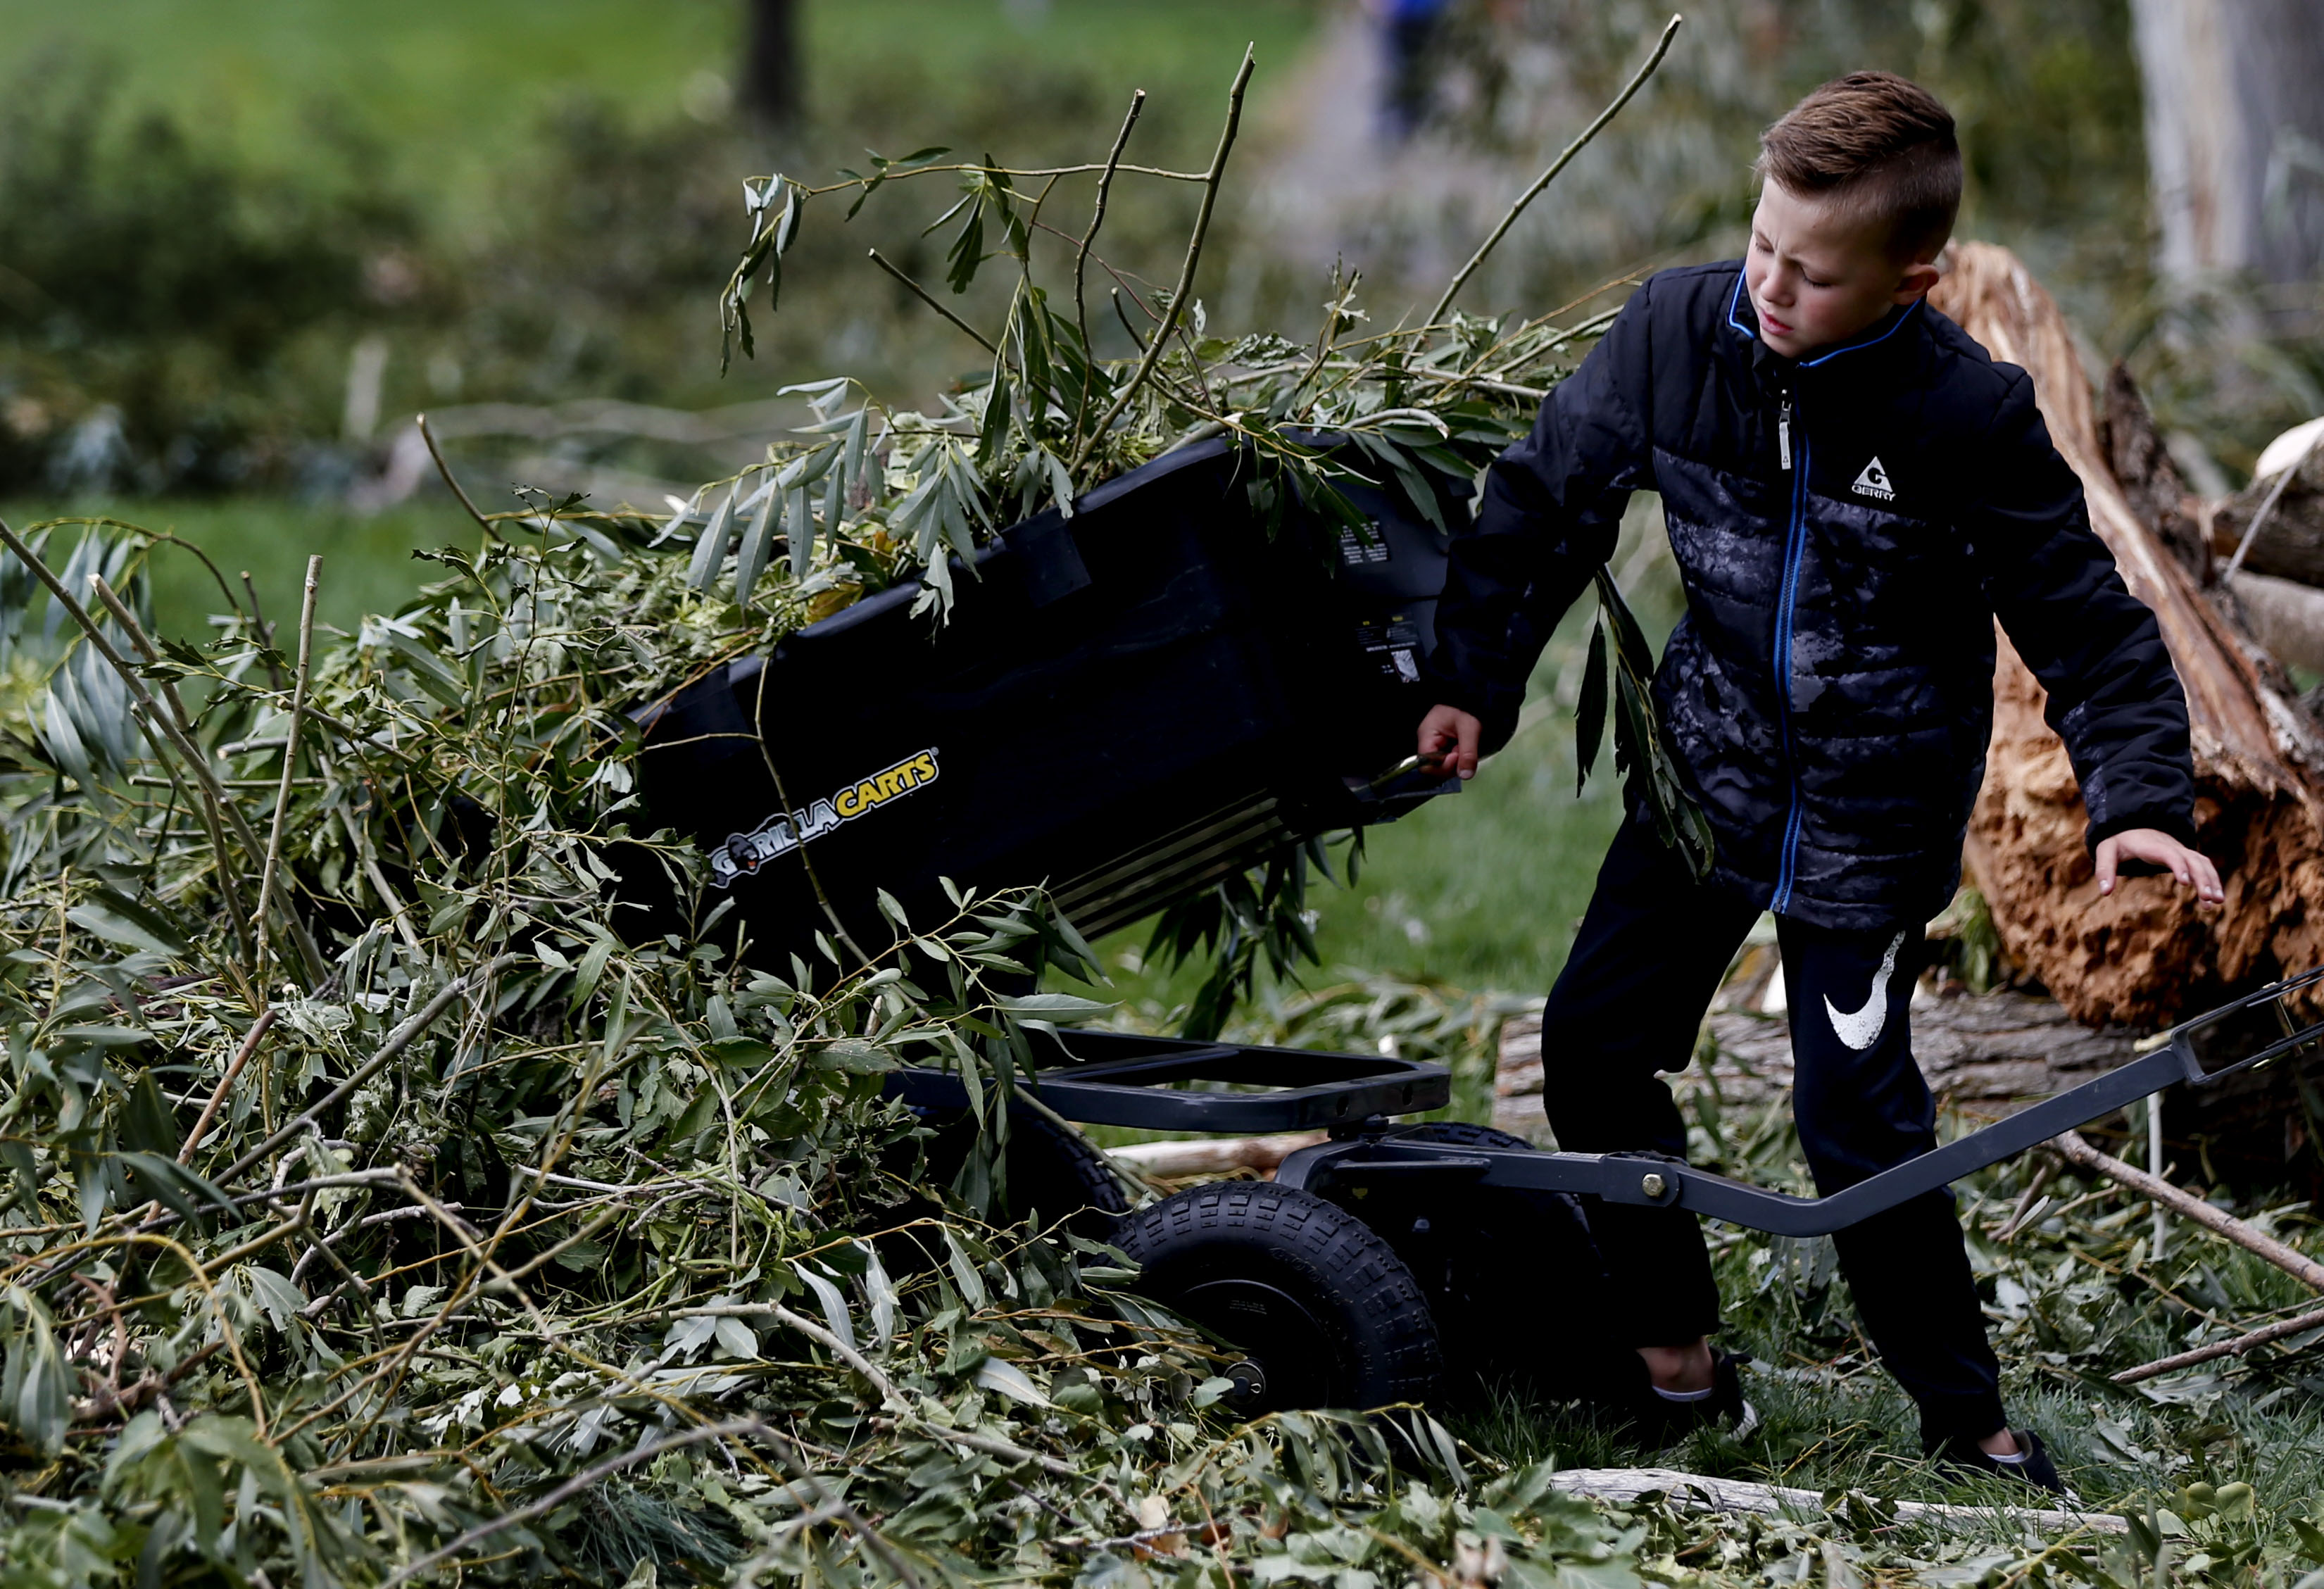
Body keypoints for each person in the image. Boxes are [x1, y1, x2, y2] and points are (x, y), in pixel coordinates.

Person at [1414, 71, 2224, 1493]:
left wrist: (2141, 797)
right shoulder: (1677, 332)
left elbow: (2085, 619)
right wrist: (1470, 681)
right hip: (1704, 778)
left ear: (1909, 285)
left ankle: (1965, 1422)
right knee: (1593, 1048)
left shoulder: (1960, 416)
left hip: (1869, 820)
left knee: (1856, 1118)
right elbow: (1547, 499)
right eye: (1763, 246)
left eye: (1813, 272)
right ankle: (1672, 1359)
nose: (1770, 287)